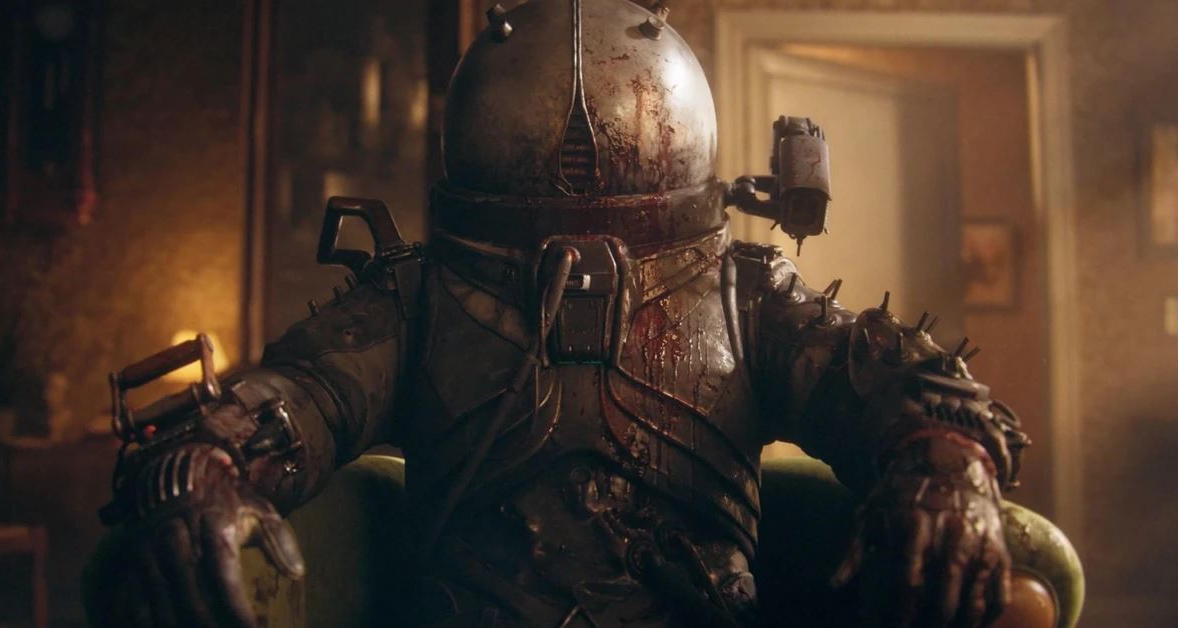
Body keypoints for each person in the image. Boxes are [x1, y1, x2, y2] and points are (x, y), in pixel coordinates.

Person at [85, 0, 1073, 626]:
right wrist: (200, 472)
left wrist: (949, 464)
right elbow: (286, 402)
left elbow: (913, 396)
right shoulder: (418, 299)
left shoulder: (745, 294)